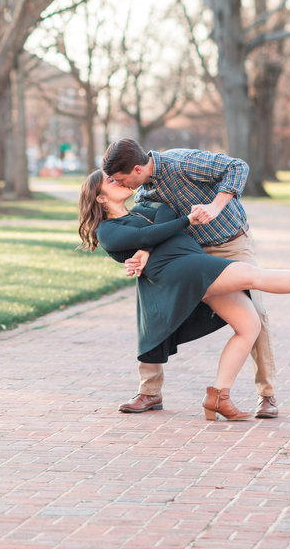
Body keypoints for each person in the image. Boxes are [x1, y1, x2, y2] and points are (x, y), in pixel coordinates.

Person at [77, 169, 290, 420]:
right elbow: (147, 235)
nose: (120, 181)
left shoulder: (143, 209)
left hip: (192, 262)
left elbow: (163, 213)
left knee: (249, 325)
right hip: (182, 271)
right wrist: (183, 222)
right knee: (254, 276)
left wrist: (148, 248)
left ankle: (218, 397)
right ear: (100, 199)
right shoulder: (108, 231)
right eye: (111, 181)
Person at [101, 138, 270, 417]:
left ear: (137, 169)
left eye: (122, 179)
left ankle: (267, 395)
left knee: (257, 314)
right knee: (152, 304)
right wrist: (144, 250)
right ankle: (149, 391)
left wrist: (216, 206)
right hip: (188, 252)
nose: (123, 186)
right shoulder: (143, 191)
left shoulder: (181, 161)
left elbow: (237, 166)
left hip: (230, 244)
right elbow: (156, 223)